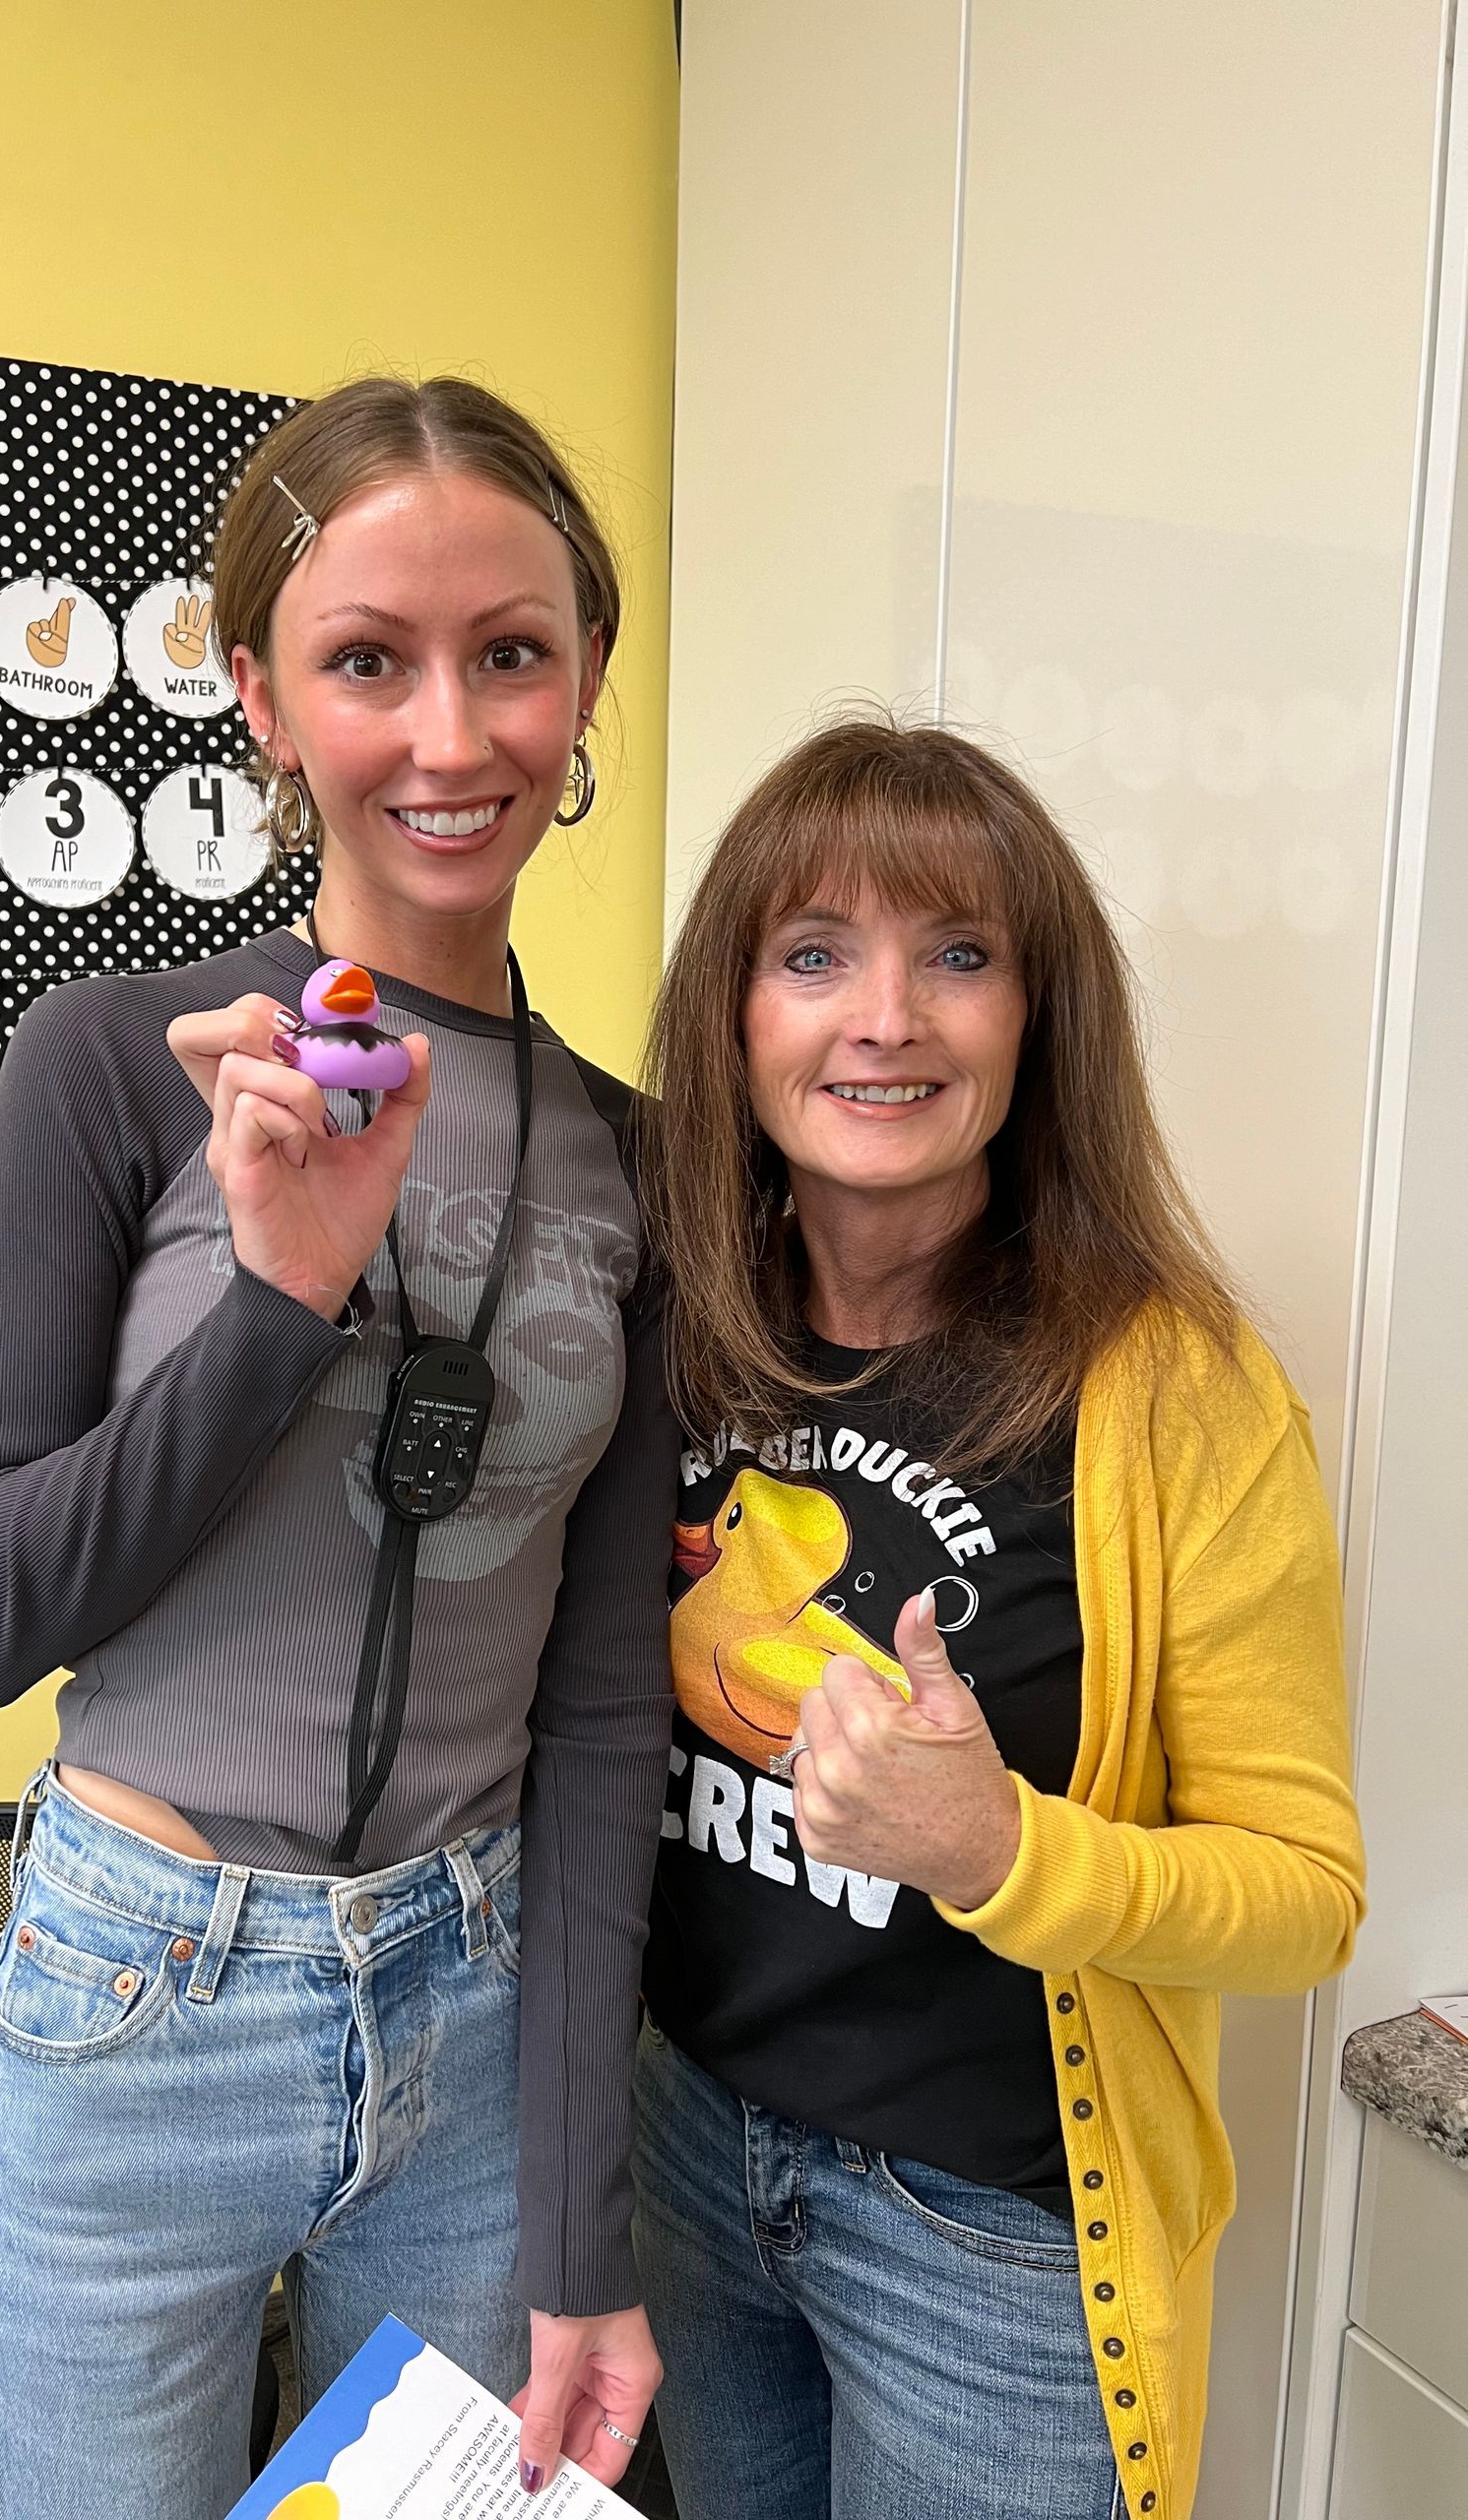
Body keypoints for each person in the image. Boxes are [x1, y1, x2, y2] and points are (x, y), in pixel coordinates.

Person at [0, 376, 672, 2520]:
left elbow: (602, 1707)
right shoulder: (121, 1065)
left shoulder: (637, 1155)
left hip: (482, 1998)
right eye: (369, 661)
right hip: (143, 2004)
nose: (452, 737)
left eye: (511, 653)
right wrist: (277, 1303)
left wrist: (587, 2224)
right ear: (259, 693)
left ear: (586, 672)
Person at [630, 718, 1365, 2520]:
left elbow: (1307, 1896)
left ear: (1040, 1024)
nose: (887, 1017)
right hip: (690, 2157)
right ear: (738, 1018)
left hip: (986, 2242)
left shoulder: (1173, 1390)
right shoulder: (679, 1330)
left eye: (959, 956)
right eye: (816, 956)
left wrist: (1001, 1848)